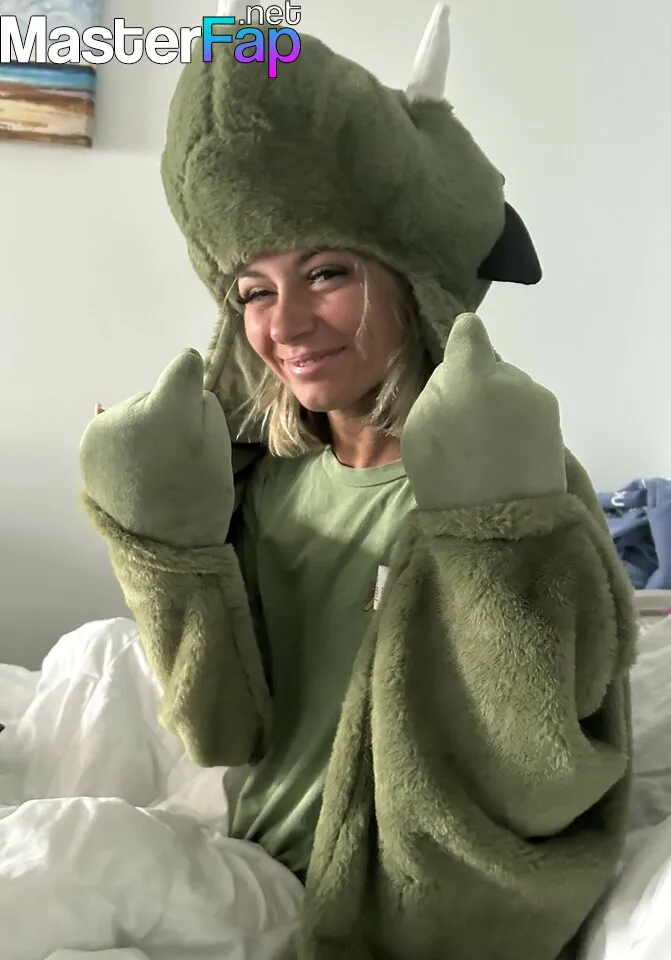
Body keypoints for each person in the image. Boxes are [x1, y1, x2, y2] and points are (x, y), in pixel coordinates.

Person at [79, 5, 639, 958]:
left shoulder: (518, 485)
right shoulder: (262, 486)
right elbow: (220, 728)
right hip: (253, 872)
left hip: (417, 909)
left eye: (326, 272)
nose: (285, 325)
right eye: (253, 290)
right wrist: (159, 544)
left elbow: (544, 768)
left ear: (412, 282)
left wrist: (499, 541)